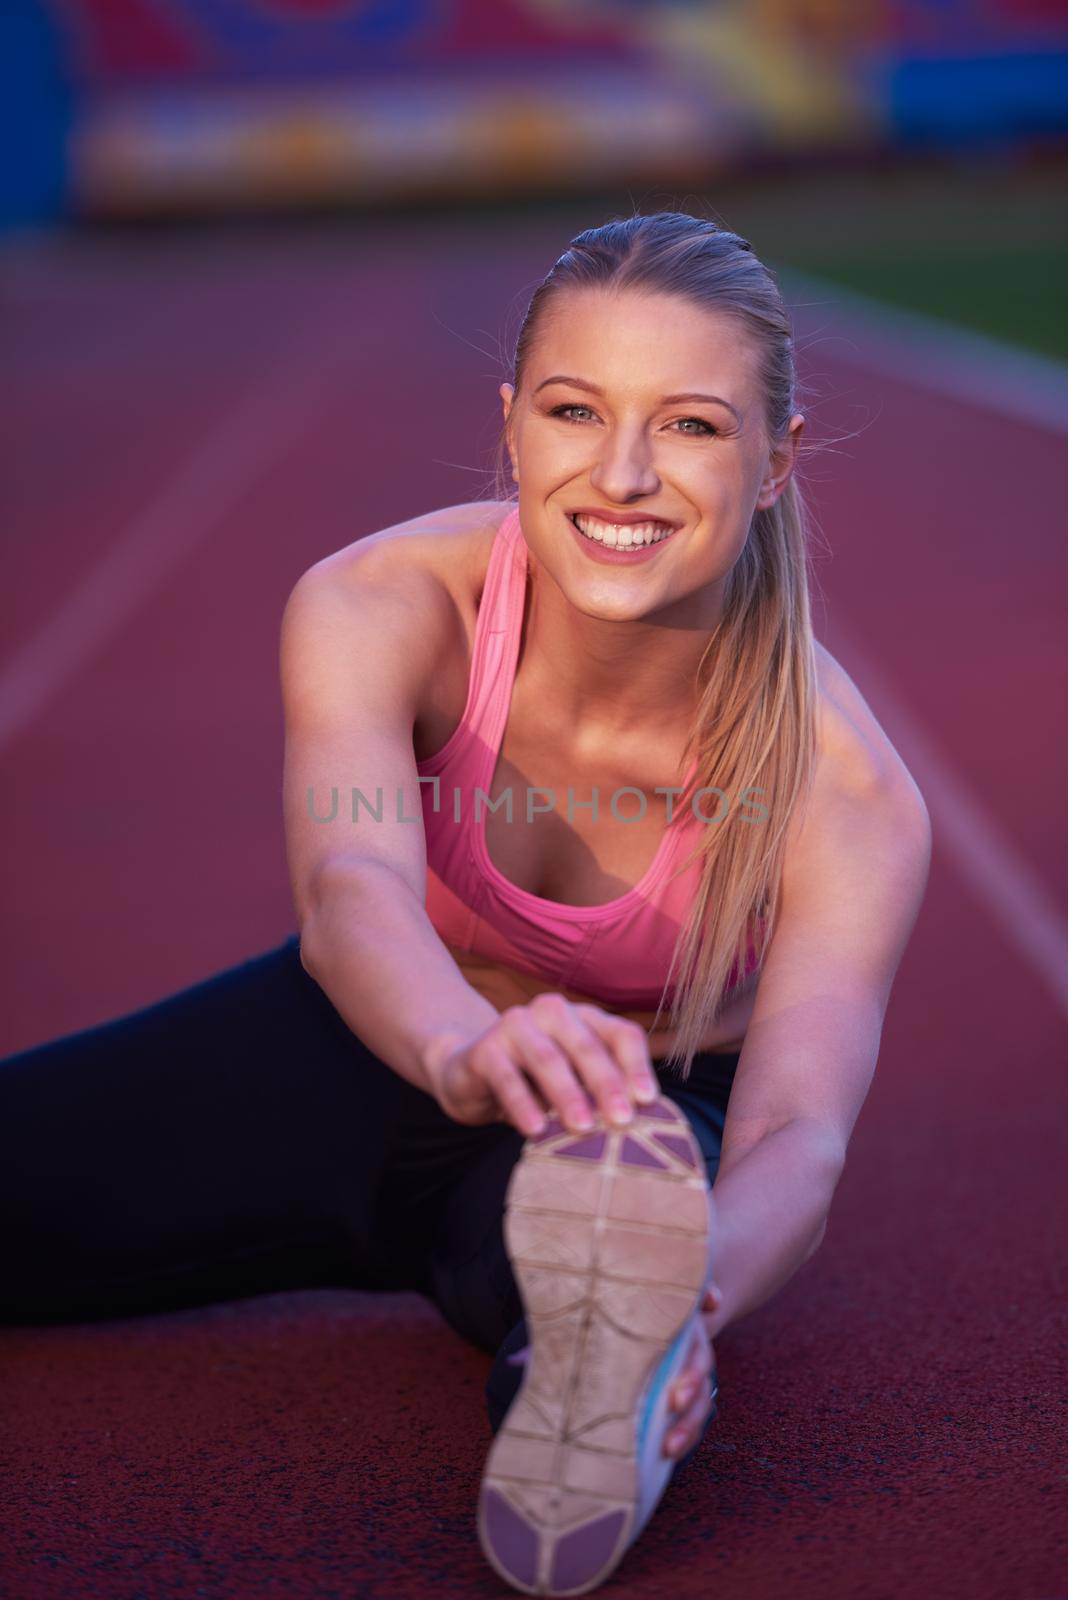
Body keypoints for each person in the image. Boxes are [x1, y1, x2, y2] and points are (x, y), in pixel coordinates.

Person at [0, 209, 931, 1596]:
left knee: (574, 1328)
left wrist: (692, 1303)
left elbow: (798, 1129)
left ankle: (603, 1383)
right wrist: (458, 1049)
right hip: (374, 1043)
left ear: (777, 460)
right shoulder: (383, 605)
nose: (620, 474)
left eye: (688, 427)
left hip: (614, 1134)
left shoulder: (843, 786)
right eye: (574, 411)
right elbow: (352, 888)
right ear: (512, 425)